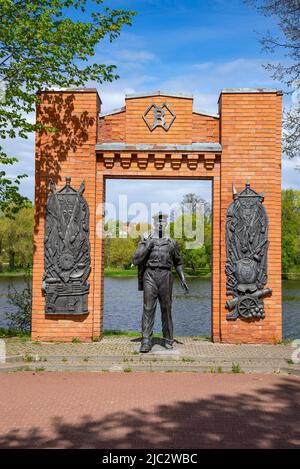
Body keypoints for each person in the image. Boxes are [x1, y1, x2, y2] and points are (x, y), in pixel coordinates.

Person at [132, 212, 189, 353]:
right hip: (150, 275)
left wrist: (182, 278)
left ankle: (168, 339)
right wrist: (148, 245)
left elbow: (178, 262)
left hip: (166, 276)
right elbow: (135, 259)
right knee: (148, 308)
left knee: (167, 308)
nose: (161, 223)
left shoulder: (172, 242)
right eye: (158, 221)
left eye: (163, 221)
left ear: (166, 223)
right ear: (154, 223)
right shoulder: (146, 239)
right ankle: (146, 341)